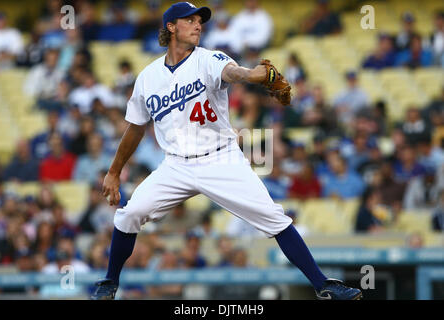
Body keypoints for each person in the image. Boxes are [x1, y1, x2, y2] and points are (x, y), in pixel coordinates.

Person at [91, 2, 361, 300]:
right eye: (190, 20)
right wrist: (114, 172)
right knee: (129, 214)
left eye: (200, 20)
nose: (198, 25)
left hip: (220, 159)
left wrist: (256, 75)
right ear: (170, 27)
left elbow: (235, 73)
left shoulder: (208, 59)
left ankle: (323, 285)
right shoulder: (147, 77)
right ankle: (109, 282)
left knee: (273, 218)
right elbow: (135, 127)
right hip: (176, 165)